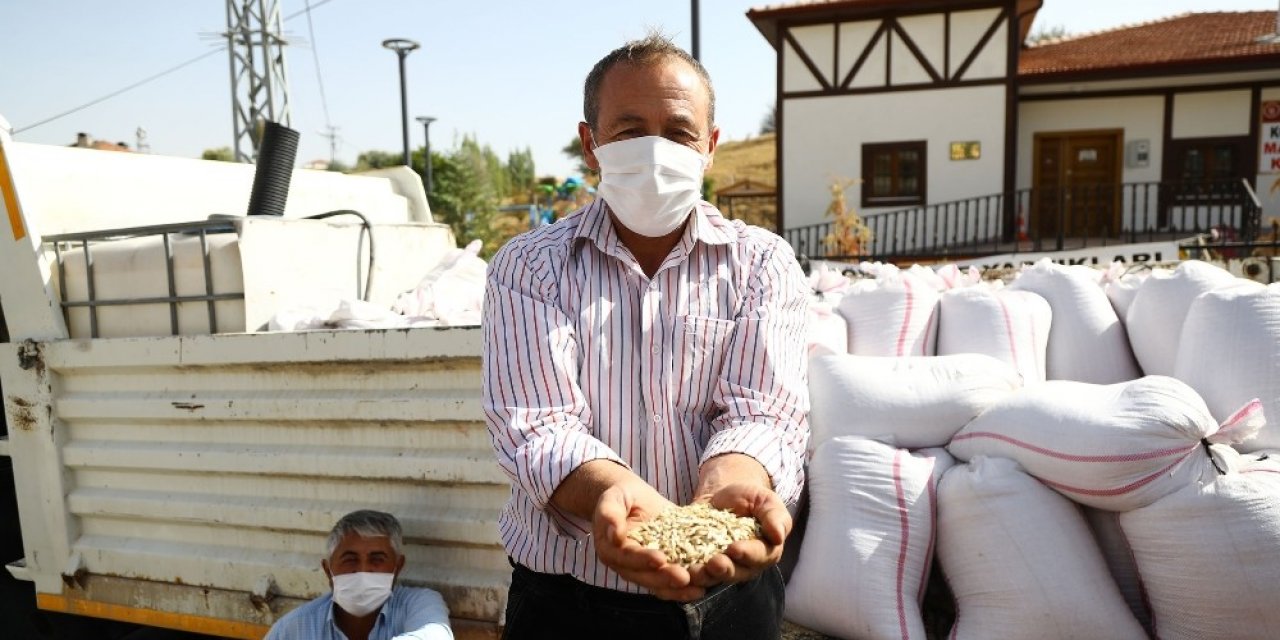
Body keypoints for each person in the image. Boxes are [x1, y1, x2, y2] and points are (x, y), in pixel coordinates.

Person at [482, 32, 810, 639]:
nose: (657, 151)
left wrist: (731, 490)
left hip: (731, 593)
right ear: (592, 144)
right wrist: (615, 495)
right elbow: (536, 424)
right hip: (568, 601)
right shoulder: (529, 267)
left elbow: (764, 412)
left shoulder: (763, 263)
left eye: (680, 132)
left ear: (709, 147)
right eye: (631, 130)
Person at [265, 510, 453, 640]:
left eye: (377, 559)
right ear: (328, 570)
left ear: (398, 567)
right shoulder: (293, 629)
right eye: (350, 559)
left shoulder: (419, 603)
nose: (363, 569)